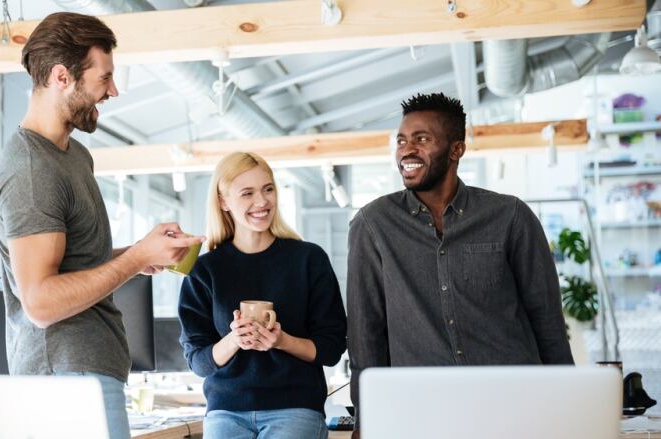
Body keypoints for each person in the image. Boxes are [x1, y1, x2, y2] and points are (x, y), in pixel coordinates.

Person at [0, 12, 203, 439]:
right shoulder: (30, 170)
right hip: (62, 382)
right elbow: (41, 302)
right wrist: (138, 257)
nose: (113, 91)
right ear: (62, 77)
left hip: (85, 374)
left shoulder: (73, 156)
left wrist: (138, 253)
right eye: (104, 78)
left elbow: (72, 265)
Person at [347, 93, 573, 436]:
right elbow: (366, 333)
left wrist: (567, 405)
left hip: (511, 405)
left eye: (422, 139)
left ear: (456, 150)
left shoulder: (510, 217)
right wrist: (368, 419)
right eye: (402, 141)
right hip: (423, 412)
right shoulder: (373, 225)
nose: (407, 150)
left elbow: (547, 319)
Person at [178, 152, 347, 439]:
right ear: (223, 201)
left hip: (294, 406)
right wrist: (234, 340)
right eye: (247, 193)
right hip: (226, 411)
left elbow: (331, 349)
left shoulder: (308, 259)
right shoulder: (205, 270)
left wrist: (282, 341)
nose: (262, 201)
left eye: (268, 189)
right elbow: (199, 362)